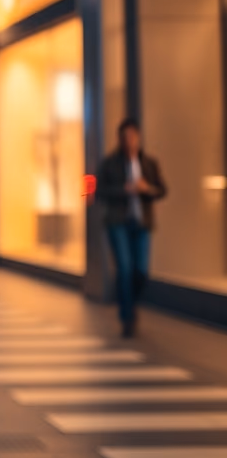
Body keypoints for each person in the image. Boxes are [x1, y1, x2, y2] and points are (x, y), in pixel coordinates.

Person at [95, 118, 167, 337]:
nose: (130, 141)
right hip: (118, 222)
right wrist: (123, 190)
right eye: (126, 137)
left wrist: (147, 189)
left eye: (133, 136)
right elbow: (99, 192)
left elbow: (162, 190)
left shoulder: (149, 163)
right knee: (125, 269)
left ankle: (130, 304)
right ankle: (127, 317)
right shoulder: (110, 163)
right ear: (120, 139)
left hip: (142, 222)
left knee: (141, 271)